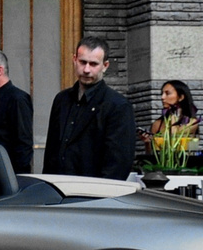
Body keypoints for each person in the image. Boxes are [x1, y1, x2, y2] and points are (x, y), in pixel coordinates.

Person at [43, 37, 136, 181]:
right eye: (82, 62)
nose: (86, 69)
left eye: (93, 64)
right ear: (74, 59)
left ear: (105, 66)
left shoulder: (118, 106)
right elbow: (51, 152)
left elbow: (118, 163)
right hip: (58, 191)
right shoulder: (61, 100)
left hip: (93, 194)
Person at [144, 79, 200, 153]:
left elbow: (174, 138)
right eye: (162, 93)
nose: (162, 97)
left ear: (181, 97)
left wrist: (174, 112)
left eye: (167, 93)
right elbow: (150, 154)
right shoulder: (157, 124)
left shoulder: (192, 122)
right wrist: (147, 142)